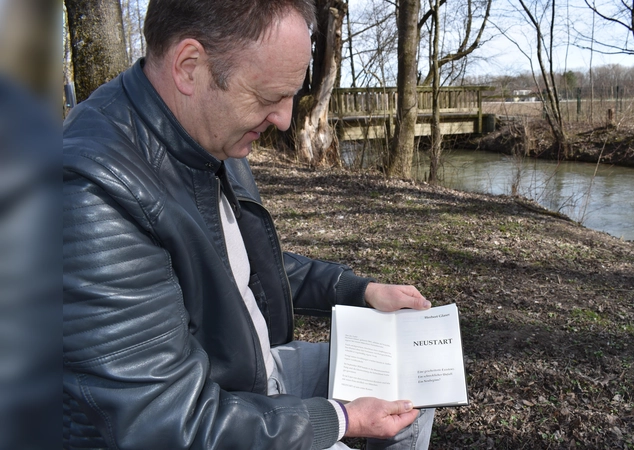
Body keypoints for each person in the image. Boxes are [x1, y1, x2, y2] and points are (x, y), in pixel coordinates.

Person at [62, 0, 435, 448]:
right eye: (268, 97)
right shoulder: (92, 193)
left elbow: (243, 261)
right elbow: (164, 422)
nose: (283, 119)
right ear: (189, 67)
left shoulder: (210, 131)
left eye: (291, 96)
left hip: (258, 375)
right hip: (216, 411)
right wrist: (337, 420)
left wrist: (359, 290)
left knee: (413, 383)